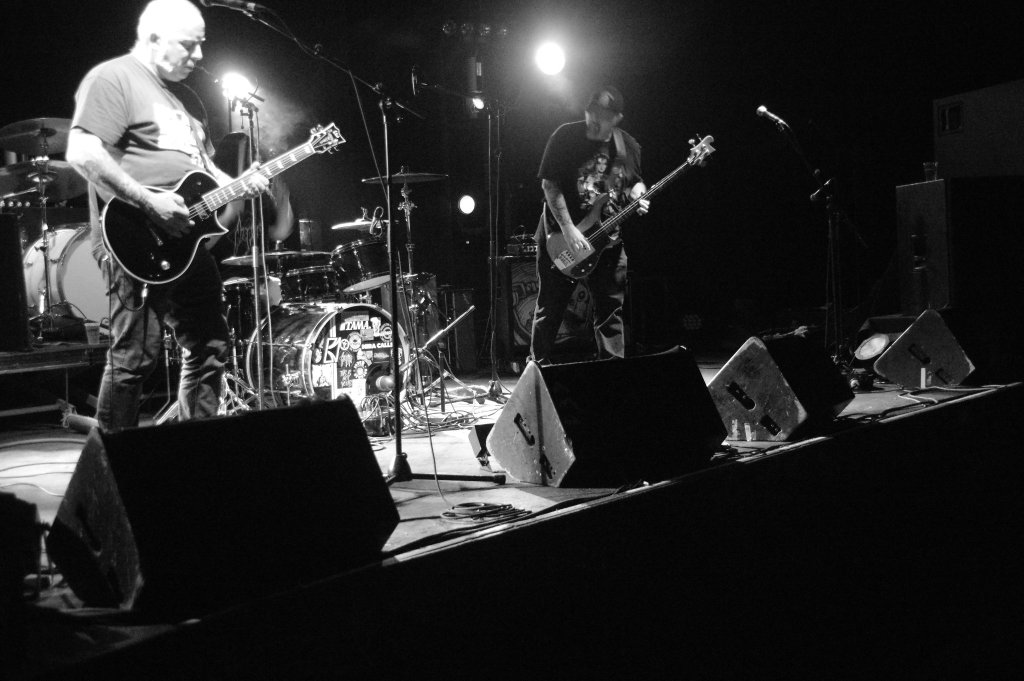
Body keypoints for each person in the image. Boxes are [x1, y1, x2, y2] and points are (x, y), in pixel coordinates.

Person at [65, 0, 268, 431]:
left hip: (188, 244)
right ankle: (113, 460)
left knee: (210, 346)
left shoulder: (182, 103)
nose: (199, 55)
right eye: (189, 45)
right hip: (138, 237)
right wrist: (148, 202)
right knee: (134, 358)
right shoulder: (115, 78)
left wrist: (242, 182)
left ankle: (195, 450)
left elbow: (205, 170)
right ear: (155, 38)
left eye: (201, 44)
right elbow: (82, 152)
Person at [530, 85, 649, 364]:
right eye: (590, 112)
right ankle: (537, 371)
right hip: (560, 237)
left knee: (610, 312)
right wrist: (569, 229)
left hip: (607, 239)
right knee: (550, 309)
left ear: (617, 118)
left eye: (602, 116)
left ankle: (611, 375)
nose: (594, 119)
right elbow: (550, 185)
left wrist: (639, 195)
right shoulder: (564, 136)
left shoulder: (627, 145)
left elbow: (634, 182)